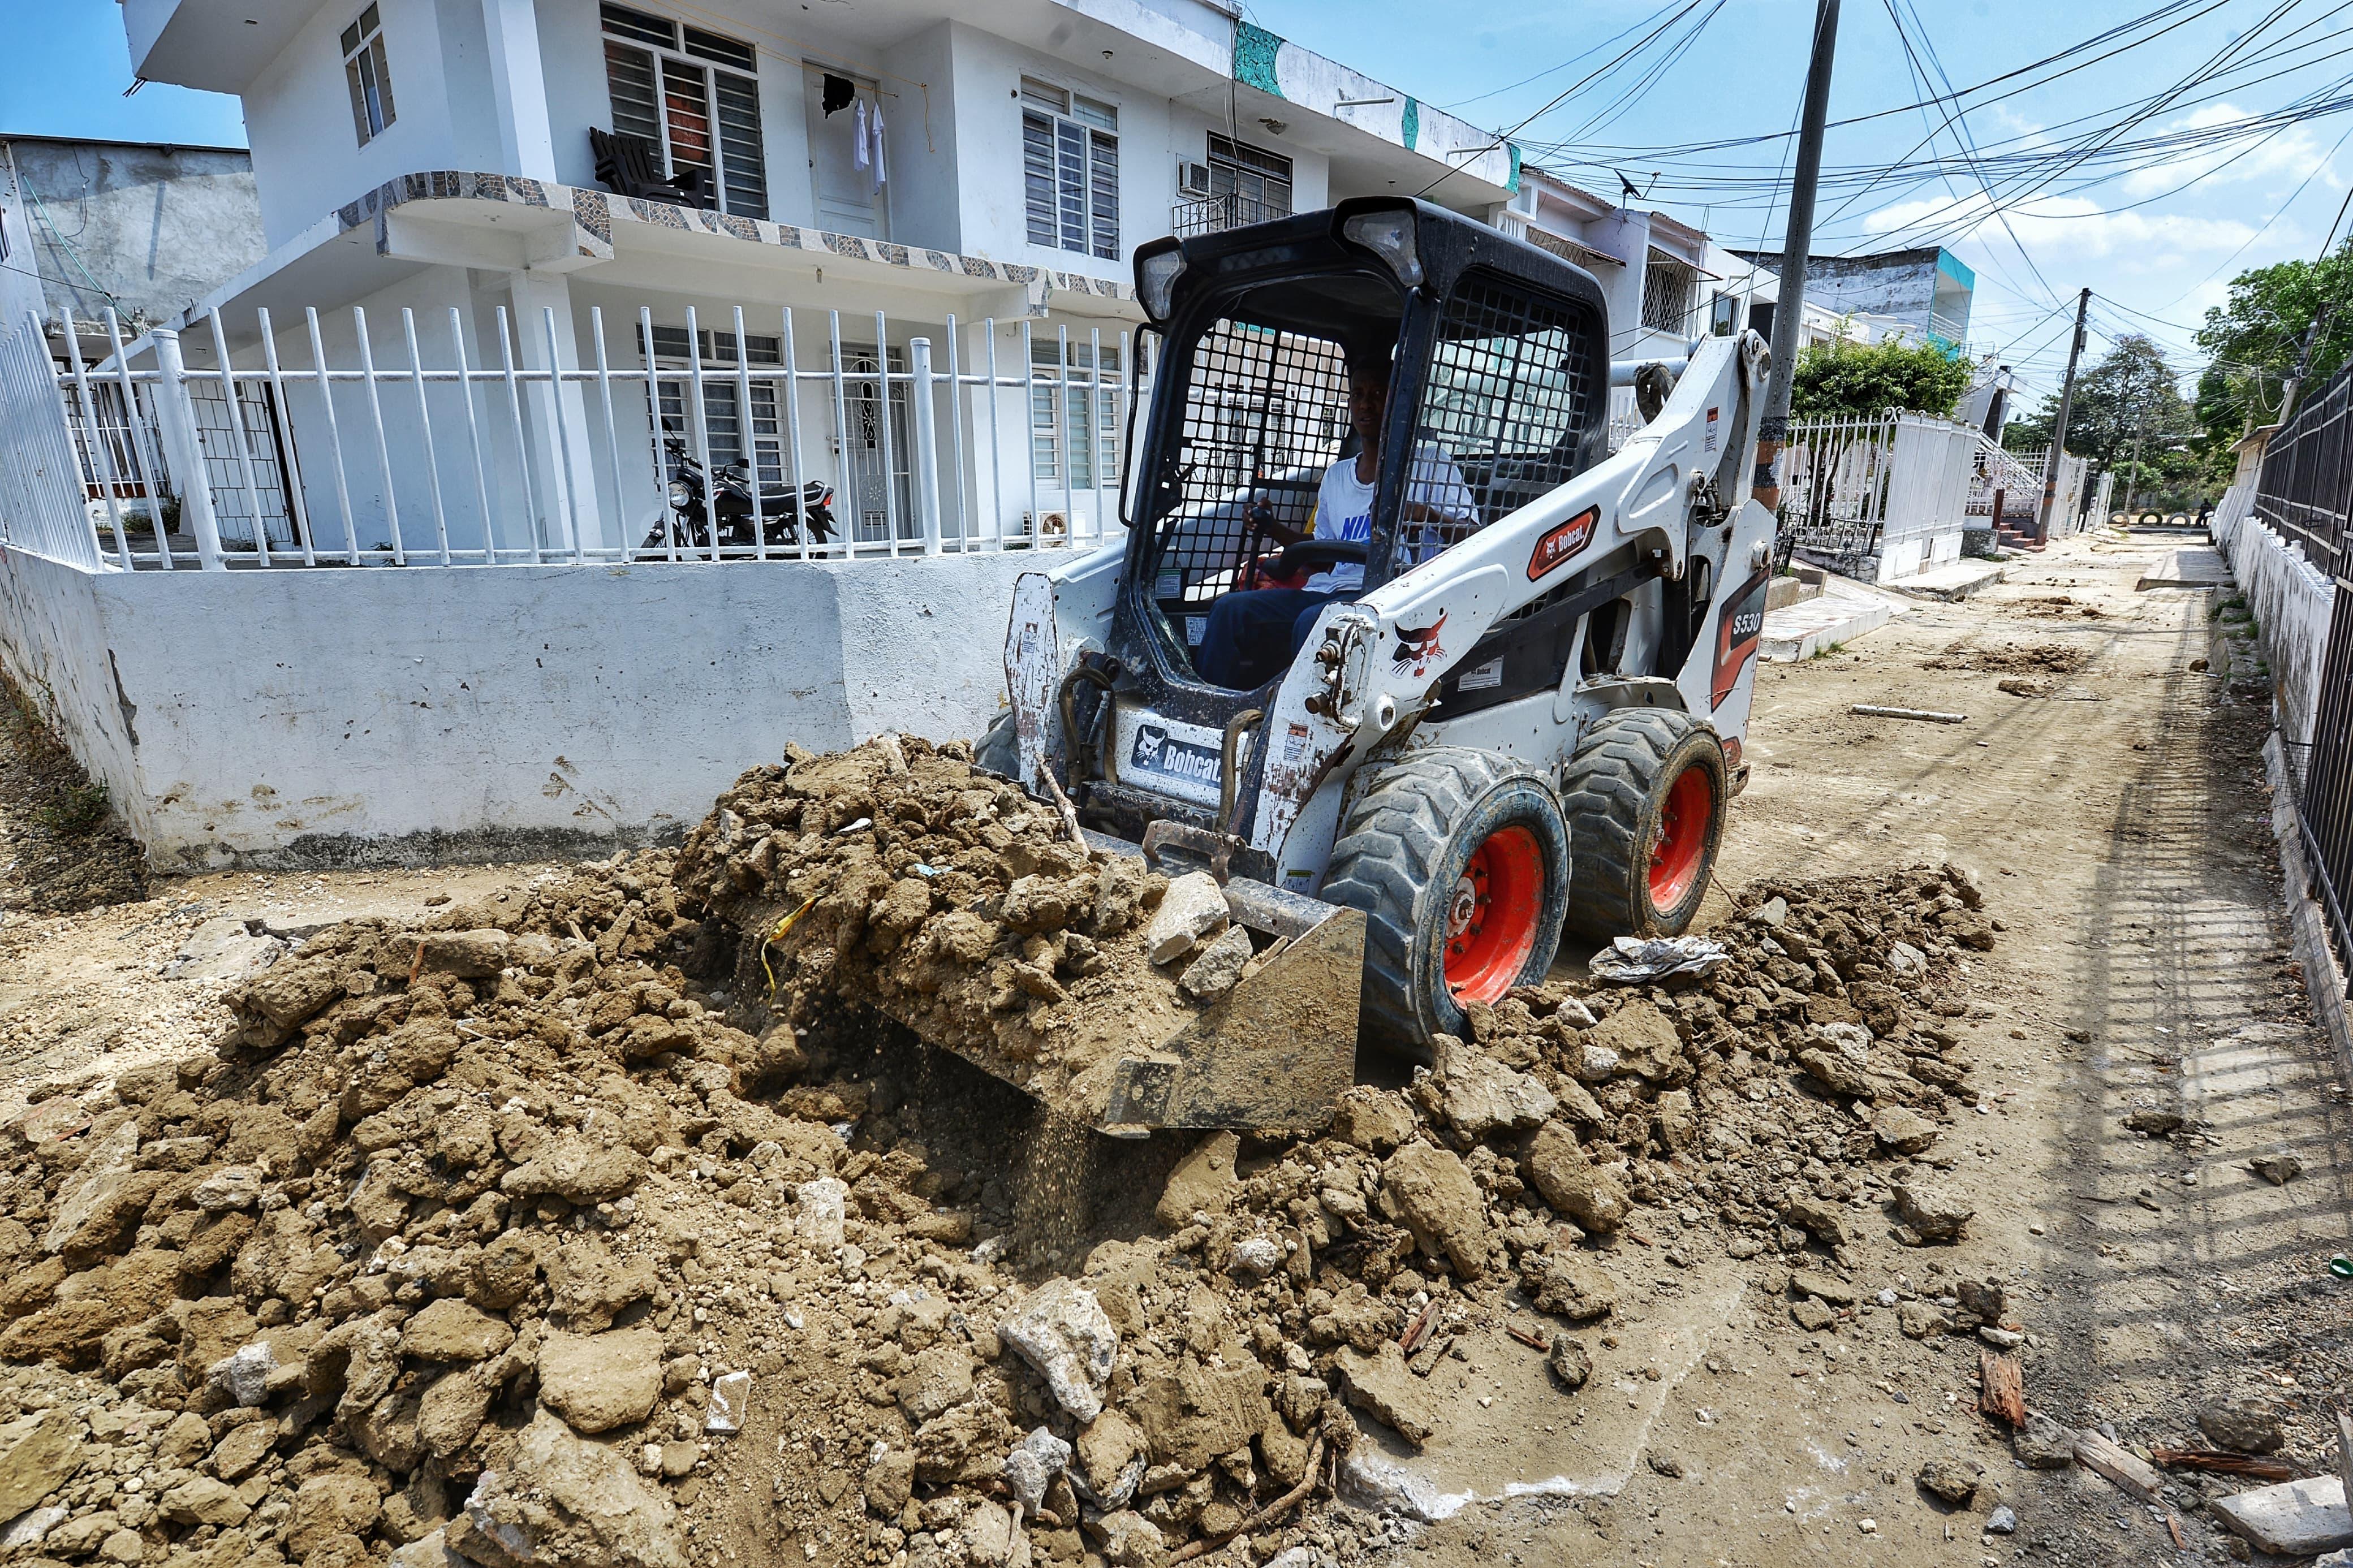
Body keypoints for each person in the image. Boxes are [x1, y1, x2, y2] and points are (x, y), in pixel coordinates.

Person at [1193, 360, 1479, 689]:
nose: (1366, 404)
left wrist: (1428, 515)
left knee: (1312, 623)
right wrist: (1273, 528)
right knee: (1230, 611)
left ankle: (1300, 732)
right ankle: (1206, 715)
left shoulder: (1431, 465)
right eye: (1357, 395)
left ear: (1397, 403)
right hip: (1329, 591)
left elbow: (1475, 539)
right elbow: (1322, 557)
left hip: (1390, 597)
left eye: (1377, 394)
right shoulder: (1337, 476)